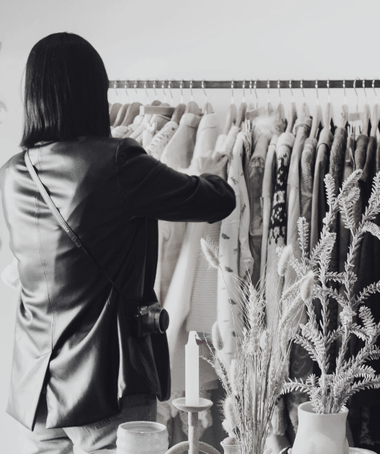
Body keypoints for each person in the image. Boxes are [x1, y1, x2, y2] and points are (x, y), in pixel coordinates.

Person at [0, 32, 235, 454]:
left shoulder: (14, 173)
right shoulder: (118, 163)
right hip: (106, 384)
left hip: (36, 390)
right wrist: (207, 168)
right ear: (93, 92)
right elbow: (217, 199)